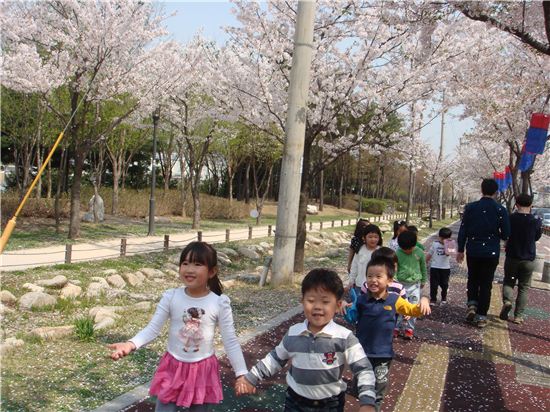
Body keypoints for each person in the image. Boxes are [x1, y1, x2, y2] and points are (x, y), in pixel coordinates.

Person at [108, 241, 249, 412]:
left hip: (202, 369)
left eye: (197, 264)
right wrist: (130, 344)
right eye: (185, 263)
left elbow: (230, 341)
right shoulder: (171, 297)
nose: (189, 269)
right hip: (172, 366)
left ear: (212, 271)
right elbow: (153, 329)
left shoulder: (219, 302)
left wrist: (241, 373)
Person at [239, 269, 376, 412]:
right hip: (295, 401)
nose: (317, 306)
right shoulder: (293, 333)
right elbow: (275, 359)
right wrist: (251, 377)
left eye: (325, 301)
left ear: (337, 305)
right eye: (311, 301)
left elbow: (363, 369)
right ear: (302, 301)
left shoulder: (344, 337)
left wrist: (367, 401)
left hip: (330, 404)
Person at [346, 255, 431, 411]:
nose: (373, 280)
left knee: (379, 384)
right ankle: (359, 387)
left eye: (379, 276)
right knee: (360, 378)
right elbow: (352, 317)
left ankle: (375, 407)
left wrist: (423, 301)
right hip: (361, 350)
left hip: (382, 353)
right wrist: (346, 307)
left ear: (390, 280)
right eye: (370, 276)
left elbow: (412, 310)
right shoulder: (362, 299)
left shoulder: (395, 300)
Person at [457, 178, 510, 328]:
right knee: (486, 283)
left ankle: (472, 304)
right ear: (495, 192)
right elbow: (506, 233)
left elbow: (463, 230)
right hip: (491, 251)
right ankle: (481, 316)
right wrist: (497, 235)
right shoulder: (500, 210)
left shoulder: (471, 208)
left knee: (473, 278)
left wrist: (461, 249)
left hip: (473, 250)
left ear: (481, 190)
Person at [499, 193, 542, 324]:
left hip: (513, 256)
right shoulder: (536, 220)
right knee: (524, 287)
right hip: (528, 258)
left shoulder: (511, 218)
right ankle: (518, 316)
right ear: (531, 205)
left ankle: (507, 301)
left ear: (516, 205)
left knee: (508, 282)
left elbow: (505, 234)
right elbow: (537, 237)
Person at [394, 231, 427, 339]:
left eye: (410, 248)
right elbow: (394, 268)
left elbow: (423, 267)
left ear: (414, 244)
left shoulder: (419, 252)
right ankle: (396, 328)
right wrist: (393, 281)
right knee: (399, 307)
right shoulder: (397, 253)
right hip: (400, 284)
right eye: (405, 249)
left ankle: (409, 329)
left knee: (413, 307)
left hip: (415, 285)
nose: (407, 251)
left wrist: (423, 280)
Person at [348, 224, 383, 293]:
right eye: (370, 237)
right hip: (360, 285)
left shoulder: (381, 251)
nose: (373, 239)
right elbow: (354, 266)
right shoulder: (360, 250)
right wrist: (351, 281)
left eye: (376, 237)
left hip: (375, 286)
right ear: (364, 238)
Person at [426, 227, 453, 306]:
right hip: (435, 267)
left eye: (446, 238)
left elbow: (449, 253)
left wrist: (446, 244)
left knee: (444, 284)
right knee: (433, 284)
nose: (444, 240)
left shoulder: (450, 244)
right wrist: (425, 261)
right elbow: (430, 253)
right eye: (442, 238)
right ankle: (433, 299)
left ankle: (443, 298)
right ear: (439, 237)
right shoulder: (435, 244)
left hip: (445, 268)